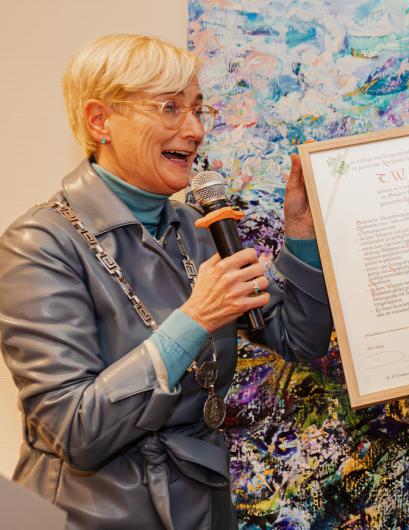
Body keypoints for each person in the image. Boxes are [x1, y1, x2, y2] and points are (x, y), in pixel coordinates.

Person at [0, 34, 333, 530]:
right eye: (170, 108)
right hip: (83, 514)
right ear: (100, 120)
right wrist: (197, 318)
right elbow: (75, 430)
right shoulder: (37, 244)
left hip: (202, 507)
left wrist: (302, 234)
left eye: (198, 110)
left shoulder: (196, 229)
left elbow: (300, 340)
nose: (195, 130)